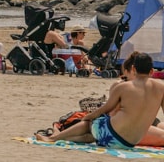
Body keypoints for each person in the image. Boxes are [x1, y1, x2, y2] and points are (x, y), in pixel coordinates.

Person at [36, 52, 164, 149]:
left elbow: (105, 109)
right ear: (152, 71)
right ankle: (60, 138)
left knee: (93, 122)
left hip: (111, 137)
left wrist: (87, 117)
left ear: (134, 69)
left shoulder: (124, 87)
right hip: (129, 143)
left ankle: (54, 138)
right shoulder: (161, 87)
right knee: (91, 135)